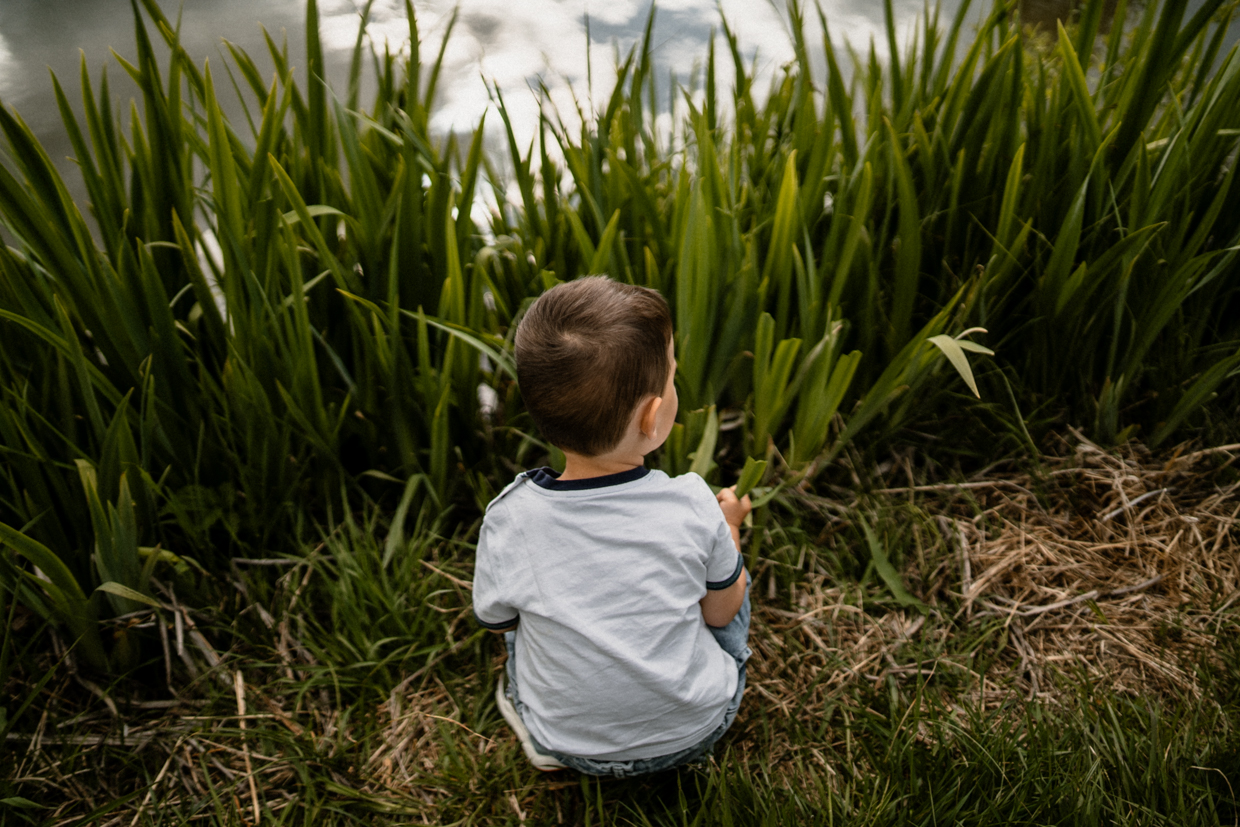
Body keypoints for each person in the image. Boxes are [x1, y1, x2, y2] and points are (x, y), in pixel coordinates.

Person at [472, 275, 752, 777]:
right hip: (698, 728)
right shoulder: (691, 502)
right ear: (651, 417)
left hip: (570, 743)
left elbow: (498, 619)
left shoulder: (509, 517)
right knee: (731, 581)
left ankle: (544, 741)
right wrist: (728, 526)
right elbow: (719, 613)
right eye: (671, 377)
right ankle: (682, 733)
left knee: (518, 632)